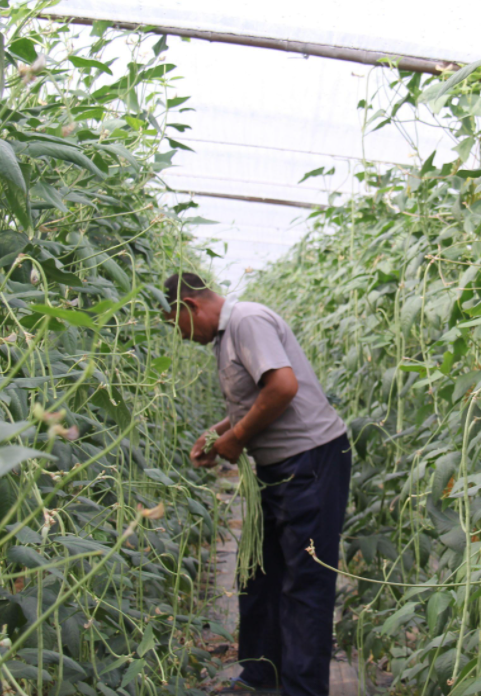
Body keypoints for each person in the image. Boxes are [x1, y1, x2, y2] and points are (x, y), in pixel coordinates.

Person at [162, 272, 352, 696]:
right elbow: (259, 396)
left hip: (312, 461)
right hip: (281, 466)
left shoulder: (246, 321)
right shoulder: (226, 338)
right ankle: (261, 674)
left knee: (305, 581)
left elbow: (283, 387)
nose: (179, 335)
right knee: (260, 572)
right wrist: (219, 434)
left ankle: (303, 689)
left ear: (190, 307)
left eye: (176, 323)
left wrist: (237, 438)